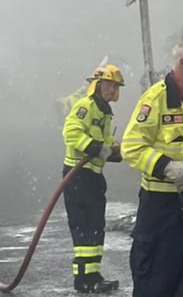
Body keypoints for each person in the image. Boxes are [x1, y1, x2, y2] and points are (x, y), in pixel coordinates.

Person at [121, 38, 183, 297]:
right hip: (162, 207)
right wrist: (166, 167)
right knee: (156, 279)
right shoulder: (156, 99)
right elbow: (131, 147)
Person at [61, 64, 124, 293]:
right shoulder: (85, 107)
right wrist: (97, 149)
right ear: (97, 85)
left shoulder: (104, 112)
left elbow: (105, 144)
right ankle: (83, 279)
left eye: (115, 86)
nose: (112, 89)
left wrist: (116, 151)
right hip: (77, 176)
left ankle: (95, 275)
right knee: (83, 226)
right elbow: (71, 132)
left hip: (94, 176)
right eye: (109, 84)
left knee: (96, 226)